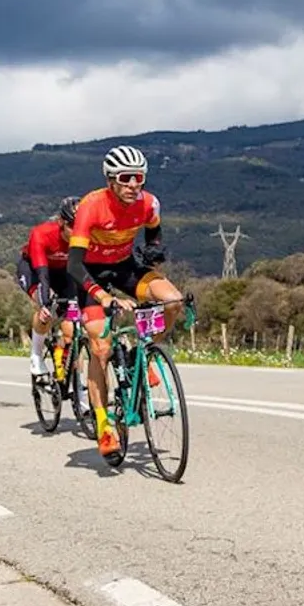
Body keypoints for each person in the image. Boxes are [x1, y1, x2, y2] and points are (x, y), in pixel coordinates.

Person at [66, 146, 185, 466]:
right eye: (126, 178)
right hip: (90, 275)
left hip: (125, 267)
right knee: (101, 349)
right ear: (110, 180)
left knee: (173, 301)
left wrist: (154, 250)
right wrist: (103, 297)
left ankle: (146, 353)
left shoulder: (148, 203)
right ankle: (104, 424)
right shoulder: (91, 207)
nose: (134, 184)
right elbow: (73, 266)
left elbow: (154, 232)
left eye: (140, 178)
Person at [17, 198, 80, 384]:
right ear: (61, 222)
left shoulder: (86, 237)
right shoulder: (42, 234)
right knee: (46, 306)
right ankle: (36, 354)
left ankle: (76, 386)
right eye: (72, 226)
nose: (78, 232)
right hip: (34, 269)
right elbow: (42, 275)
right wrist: (44, 304)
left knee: (72, 329)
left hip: (64, 272)